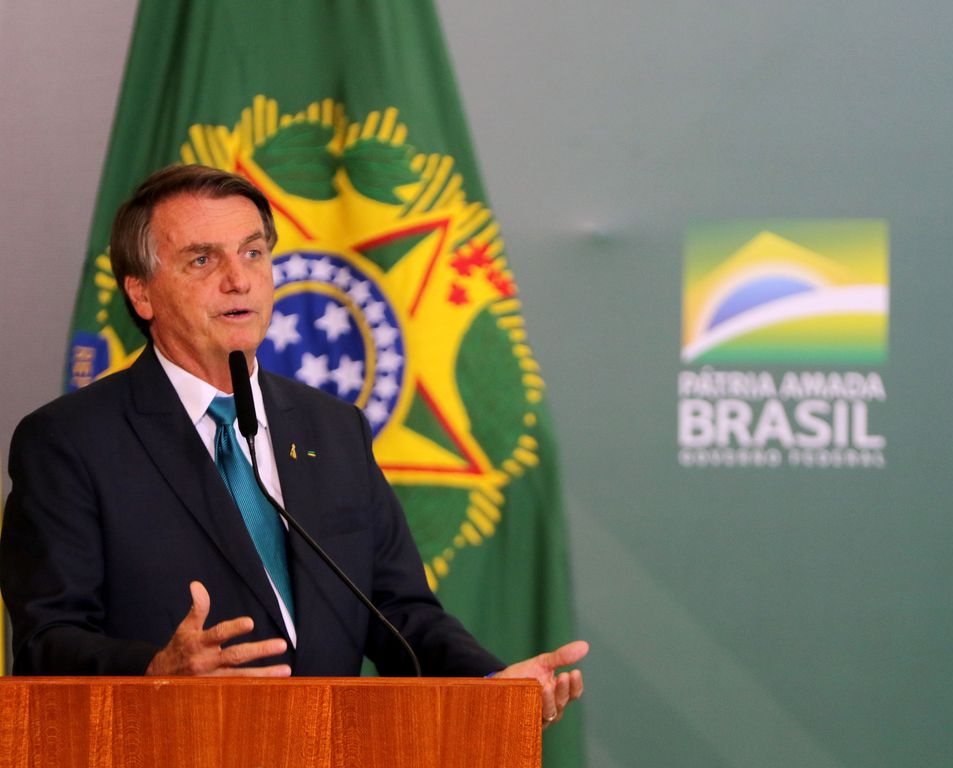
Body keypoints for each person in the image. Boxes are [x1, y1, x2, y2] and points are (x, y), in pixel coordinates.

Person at [0, 164, 585, 727]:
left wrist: (493, 686)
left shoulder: (332, 429)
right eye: (202, 259)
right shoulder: (70, 441)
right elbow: (44, 643)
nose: (239, 278)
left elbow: (400, 611)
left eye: (253, 252)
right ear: (142, 294)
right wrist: (155, 671)